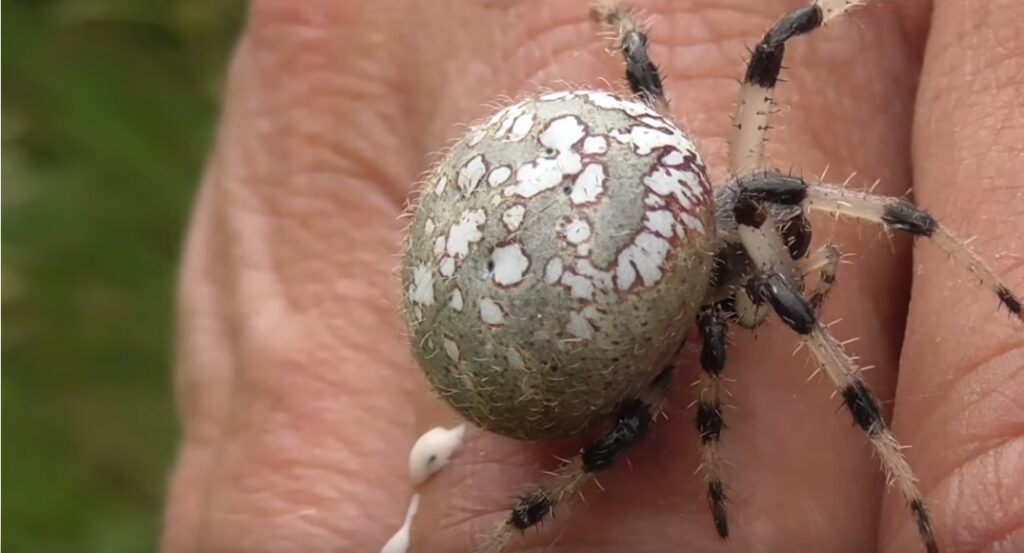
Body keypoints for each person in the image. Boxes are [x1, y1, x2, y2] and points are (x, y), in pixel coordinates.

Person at [161, 1, 1024, 551]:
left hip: (522, 216)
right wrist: (896, 477)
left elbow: (685, 39)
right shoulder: (729, 291)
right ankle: (504, 530)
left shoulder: (718, 215)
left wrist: (613, 17)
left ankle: (505, 530)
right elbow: (747, 349)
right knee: (631, 429)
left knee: (641, 415)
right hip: (538, 303)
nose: (788, 245)